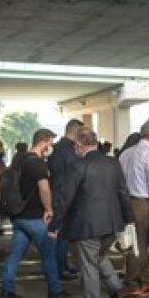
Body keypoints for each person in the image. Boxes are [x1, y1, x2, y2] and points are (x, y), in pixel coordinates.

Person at [51, 127, 133, 298]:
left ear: (79, 144)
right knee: (99, 257)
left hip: (86, 226)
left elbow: (65, 198)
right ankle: (117, 288)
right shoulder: (113, 163)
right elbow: (123, 193)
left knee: (88, 265)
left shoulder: (78, 165)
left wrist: (54, 224)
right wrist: (129, 219)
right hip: (112, 224)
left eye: (75, 145)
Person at [0, 129, 71, 298]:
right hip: (35, 217)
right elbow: (44, 189)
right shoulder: (38, 163)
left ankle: (6, 292)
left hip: (19, 216)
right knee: (49, 255)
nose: (51, 146)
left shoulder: (19, 159)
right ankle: (55, 291)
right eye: (50, 142)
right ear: (43, 141)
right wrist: (49, 210)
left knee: (14, 256)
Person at [119, 121, 149, 296]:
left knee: (132, 242)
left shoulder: (126, 154)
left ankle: (140, 279)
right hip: (142, 203)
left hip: (126, 202)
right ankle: (132, 283)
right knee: (140, 244)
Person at [48, 119, 83, 280]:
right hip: (64, 196)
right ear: (75, 132)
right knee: (61, 236)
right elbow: (71, 176)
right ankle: (59, 269)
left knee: (61, 236)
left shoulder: (56, 148)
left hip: (57, 194)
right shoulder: (68, 151)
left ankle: (62, 265)